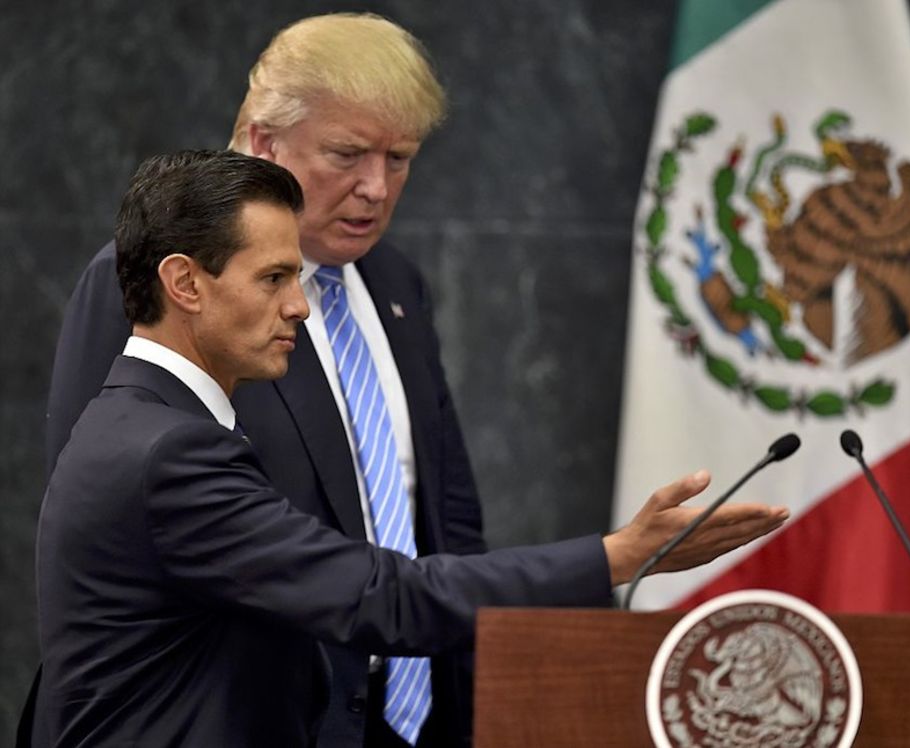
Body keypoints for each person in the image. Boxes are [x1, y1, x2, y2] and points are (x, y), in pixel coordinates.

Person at [35, 149, 789, 747]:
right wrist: (618, 555)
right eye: (273, 278)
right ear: (184, 284)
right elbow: (382, 598)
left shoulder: (142, 422)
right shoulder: (171, 454)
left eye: (296, 276)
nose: (298, 305)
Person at [49, 13, 493, 747]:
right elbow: (97, 516)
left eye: (400, 158)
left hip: (416, 716)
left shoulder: (396, 282)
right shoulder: (151, 284)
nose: (376, 188)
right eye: (348, 154)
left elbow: (443, 507)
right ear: (262, 140)